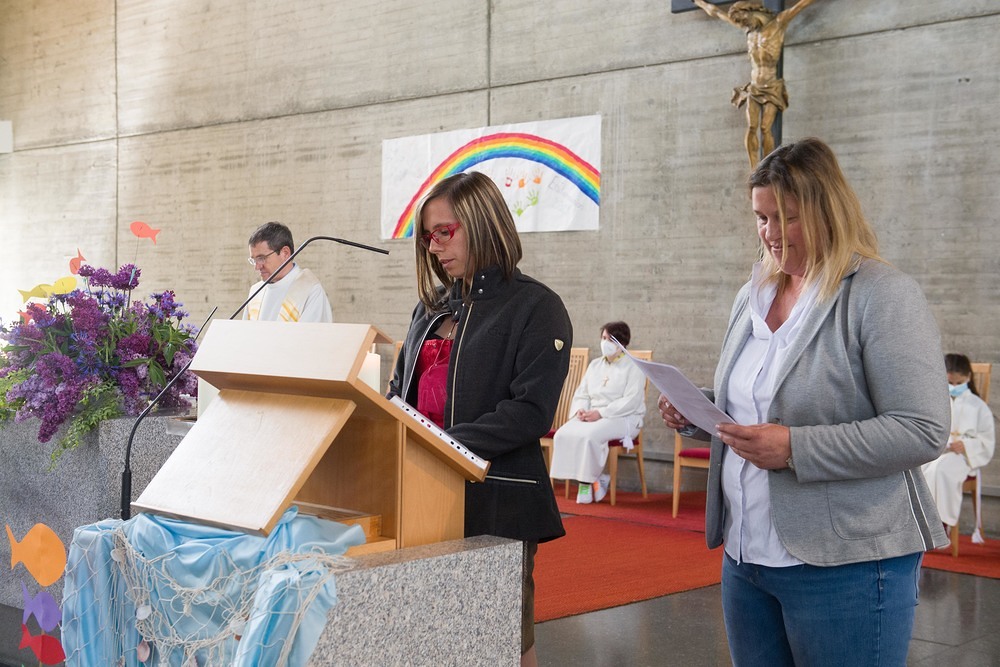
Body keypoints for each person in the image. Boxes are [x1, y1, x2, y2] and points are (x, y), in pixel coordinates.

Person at [658, 137, 950, 666]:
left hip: (847, 563)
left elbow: (921, 428)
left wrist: (795, 448)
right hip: (746, 555)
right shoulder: (752, 295)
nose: (771, 233)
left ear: (827, 211)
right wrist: (697, 412)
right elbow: (761, 407)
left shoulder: (880, 294)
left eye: (787, 218)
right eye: (761, 217)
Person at [386, 171, 571, 667]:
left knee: (504, 643)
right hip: (421, 495)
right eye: (428, 237)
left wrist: (436, 444)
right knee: (433, 642)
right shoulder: (430, 308)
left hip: (496, 501)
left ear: (483, 223)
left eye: (444, 232)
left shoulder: (536, 307)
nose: (434, 246)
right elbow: (398, 391)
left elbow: (529, 411)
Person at [691, 0, 817, 168]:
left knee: (765, 128)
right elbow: (718, 13)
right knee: (751, 127)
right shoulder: (749, 30)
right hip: (754, 86)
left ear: (751, 12)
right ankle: (754, 170)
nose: (745, 25)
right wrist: (699, 2)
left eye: (746, 20)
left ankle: (767, 167)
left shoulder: (779, 23)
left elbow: (800, 5)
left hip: (772, 86)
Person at [549, 321, 646, 504]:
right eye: (603, 338)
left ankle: (585, 484)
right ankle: (597, 478)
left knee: (590, 436)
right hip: (592, 414)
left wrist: (600, 413)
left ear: (621, 342)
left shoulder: (634, 366)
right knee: (562, 434)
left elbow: (631, 401)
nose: (604, 343)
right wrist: (581, 410)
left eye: (609, 339)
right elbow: (582, 393)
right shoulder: (595, 365)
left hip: (623, 417)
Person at [922, 353, 995, 541]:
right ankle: (924, 524)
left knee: (941, 470)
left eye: (959, 383)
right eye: (950, 382)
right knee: (921, 470)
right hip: (938, 452)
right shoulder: (936, 403)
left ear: (968, 378)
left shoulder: (978, 406)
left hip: (963, 457)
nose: (954, 387)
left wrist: (966, 445)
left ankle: (941, 525)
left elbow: (987, 439)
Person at [242, 221, 333, 322]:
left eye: (261, 258)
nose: (257, 267)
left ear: (285, 253)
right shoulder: (255, 292)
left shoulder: (310, 290)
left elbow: (312, 332)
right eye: (254, 260)